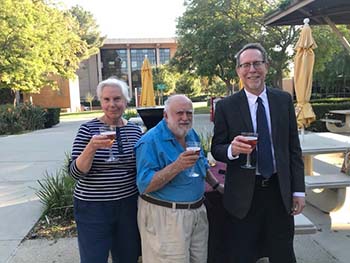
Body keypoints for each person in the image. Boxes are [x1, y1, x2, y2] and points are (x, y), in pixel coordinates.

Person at [211, 43, 305, 262]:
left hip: (278, 191)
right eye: (245, 65)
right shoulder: (226, 106)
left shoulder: (283, 100)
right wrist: (232, 150)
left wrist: (298, 191)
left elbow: (293, 149)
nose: (251, 69)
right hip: (243, 196)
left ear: (266, 66)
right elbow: (217, 148)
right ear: (238, 71)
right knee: (242, 254)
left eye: (256, 63)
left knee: (283, 253)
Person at [135, 94, 223, 263]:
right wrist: (177, 166)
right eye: (179, 113)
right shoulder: (149, 141)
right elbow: (144, 185)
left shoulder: (190, 134)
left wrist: (216, 185)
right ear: (166, 115)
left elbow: (202, 164)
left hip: (197, 213)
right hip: (167, 216)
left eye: (189, 113)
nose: (185, 118)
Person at [69, 78, 142, 263]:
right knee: (93, 258)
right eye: (106, 99)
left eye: (117, 99)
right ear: (100, 102)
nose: (112, 105)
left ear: (126, 101)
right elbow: (75, 173)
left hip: (127, 205)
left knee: (128, 257)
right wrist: (91, 148)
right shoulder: (87, 130)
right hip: (93, 207)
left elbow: (140, 169)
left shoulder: (135, 131)